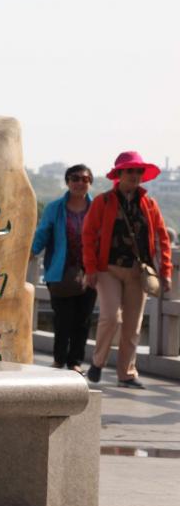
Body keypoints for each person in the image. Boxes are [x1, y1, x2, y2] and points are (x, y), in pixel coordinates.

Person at [82, 151, 173, 388]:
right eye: (129, 171)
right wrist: (90, 268)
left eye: (138, 171)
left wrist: (166, 271)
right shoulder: (103, 201)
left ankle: (127, 374)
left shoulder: (149, 204)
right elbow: (88, 235)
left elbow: (162, 239)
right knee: (111, 317)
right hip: (108, 269)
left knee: (133, 324)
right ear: (119, 174)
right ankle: (98, 362)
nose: (135, 175)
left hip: (137, 271)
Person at [31, 165, 96, 373]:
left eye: (84, 179)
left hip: (90, 273)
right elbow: (43, 233)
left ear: (90, 182)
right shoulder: (55, 208)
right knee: (62, 318)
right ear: (67, 182)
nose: (79, 183)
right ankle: (59, 360)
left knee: (83, 320)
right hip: (60, 271)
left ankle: (75, 361)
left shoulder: (96, 208)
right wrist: (31, 252)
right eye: (75, 178)